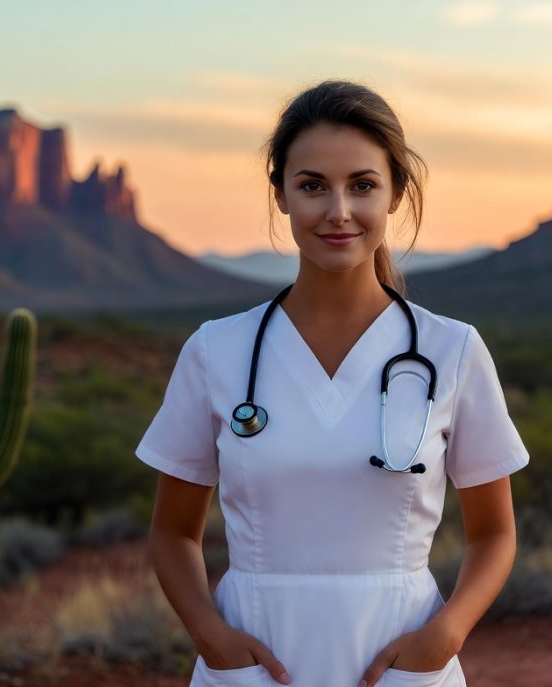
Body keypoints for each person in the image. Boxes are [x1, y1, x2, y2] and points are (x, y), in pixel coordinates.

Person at [136, 79, 530, 687]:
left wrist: (444, 636)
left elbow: (495, 532)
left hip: (402, 661)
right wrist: (211, 638)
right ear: (282, 195)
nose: (338, 211)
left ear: (395, 193)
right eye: (313, 185)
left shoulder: (452, 351)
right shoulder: (217, 351)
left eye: (363, 185)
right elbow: (172, 531)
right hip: (255, 663)